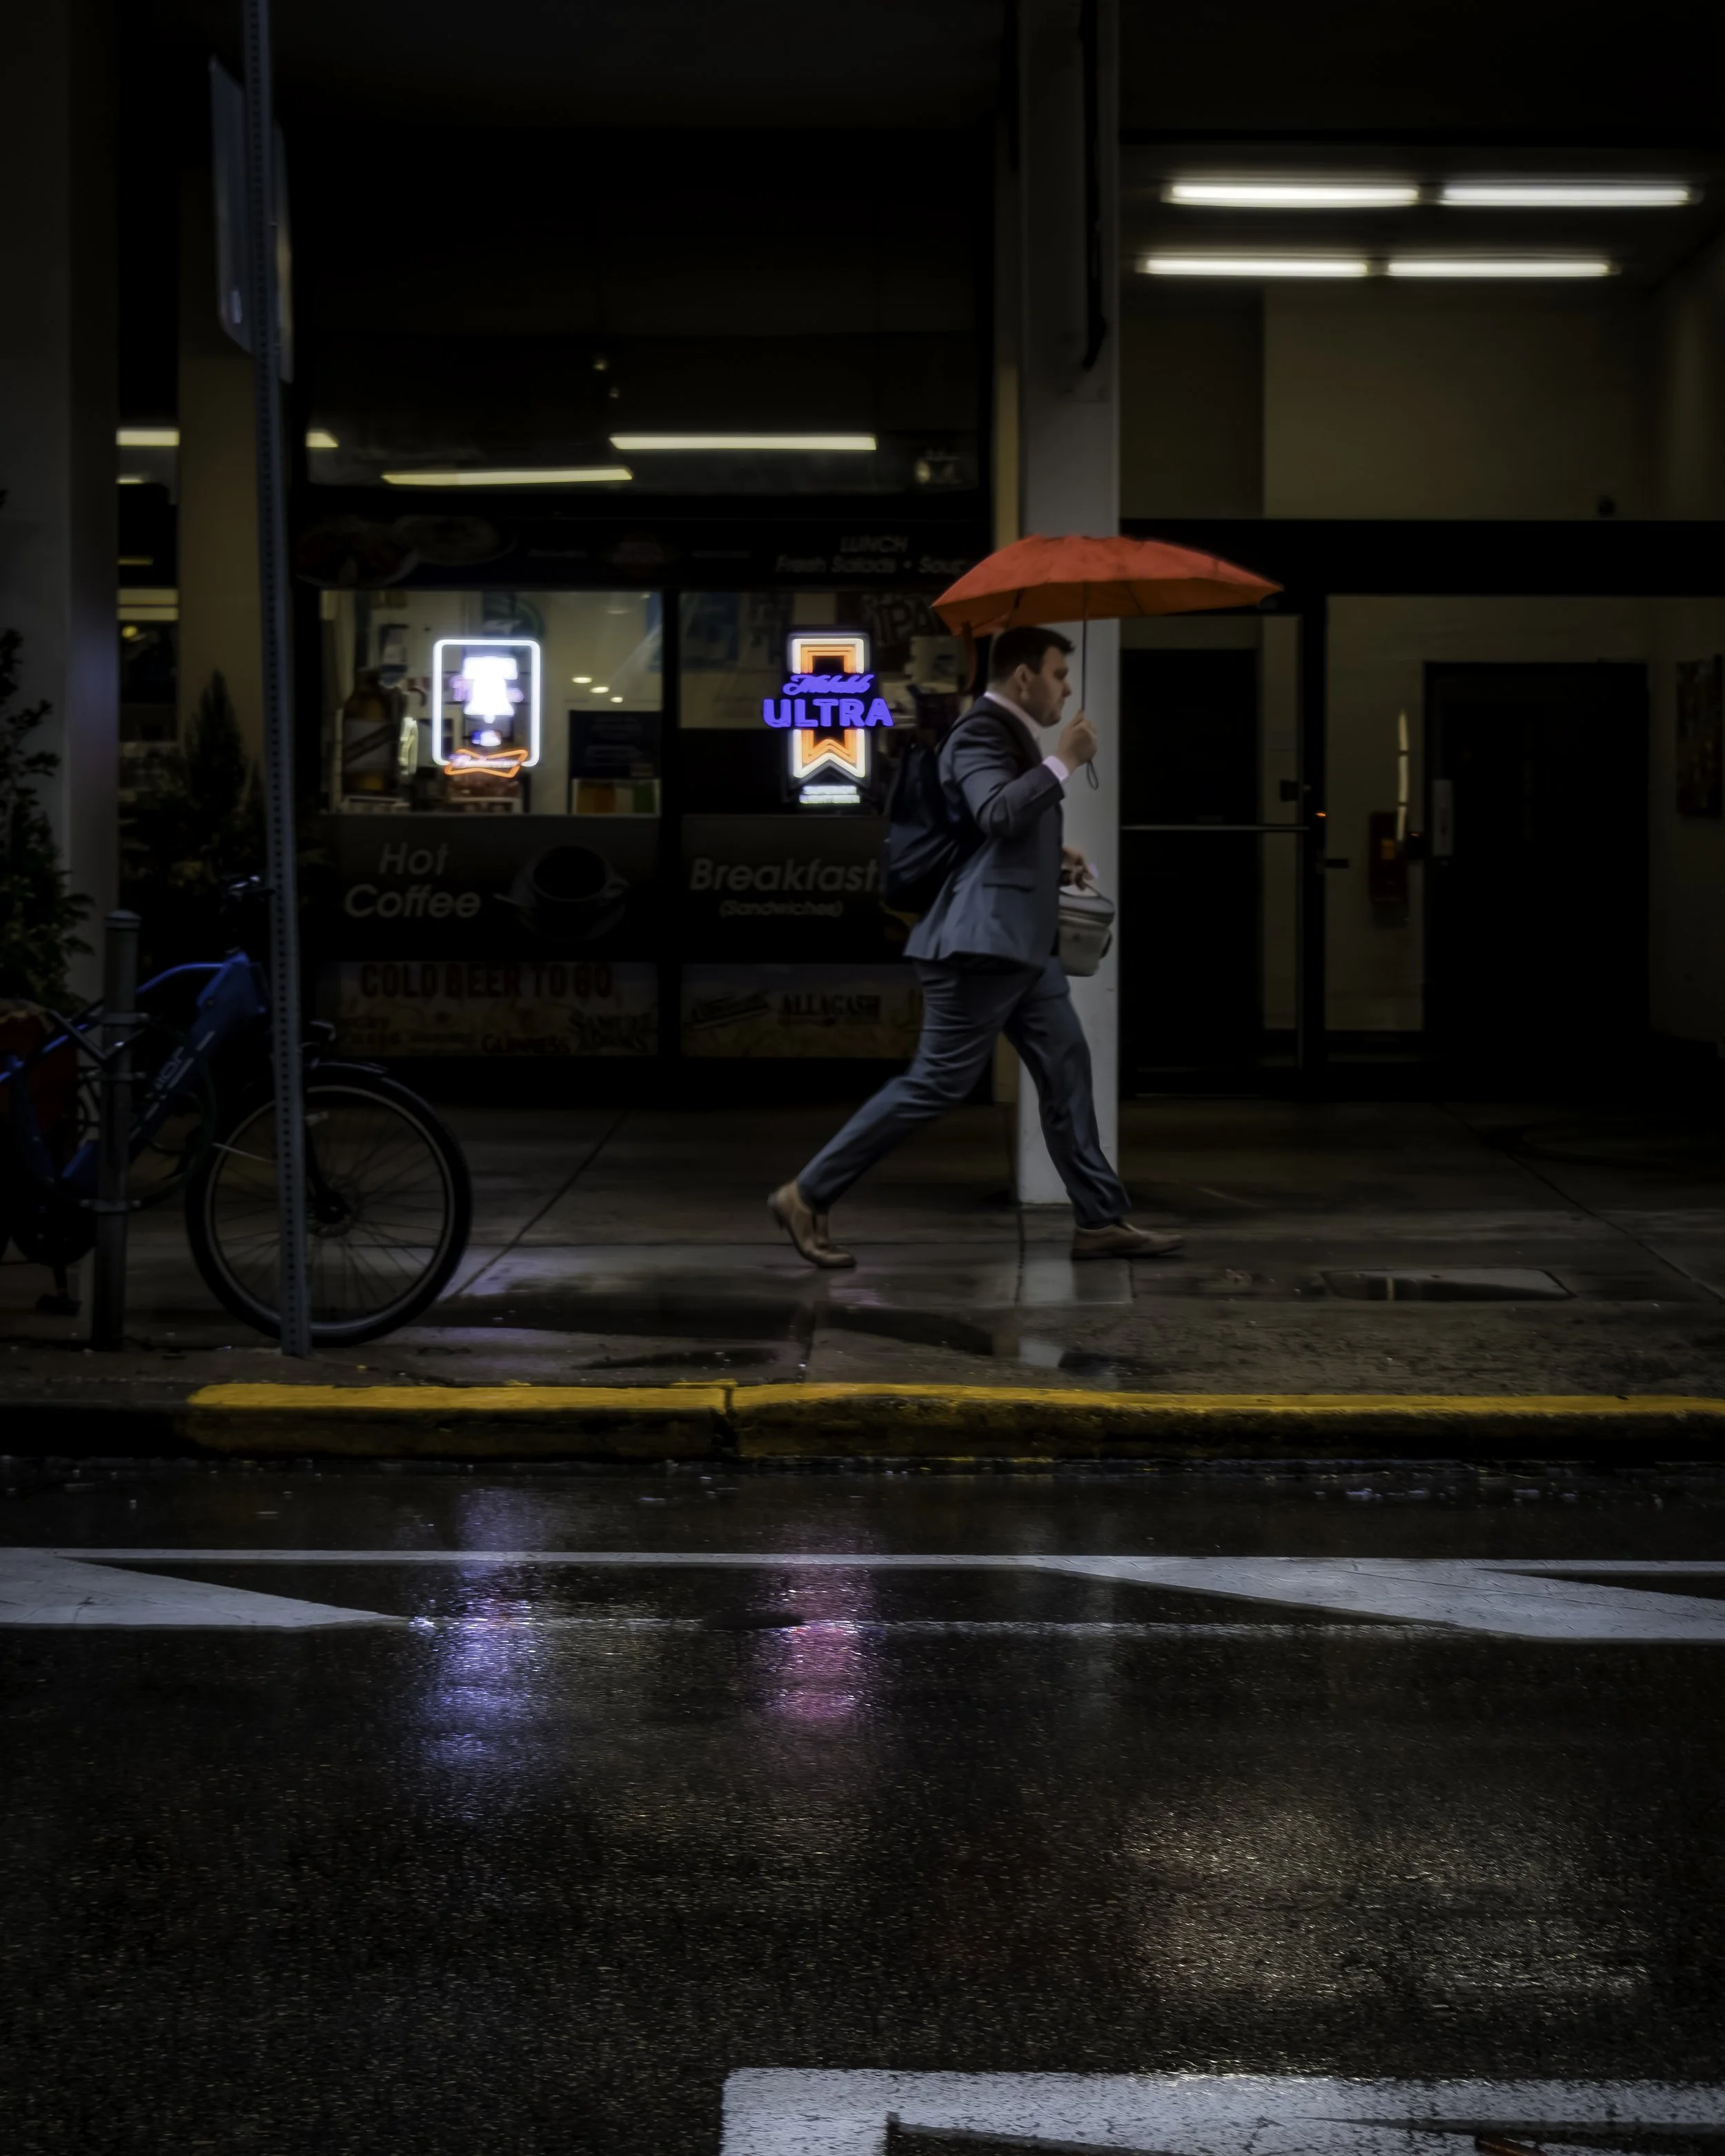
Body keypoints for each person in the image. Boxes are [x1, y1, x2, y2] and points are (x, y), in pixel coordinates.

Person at [768, 624, 1183, 1269]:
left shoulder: (1010, 734)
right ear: (1023, 676)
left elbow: (996, 833)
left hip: (1021, 946)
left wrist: (1055, 855)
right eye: (1058, 675)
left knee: (1067, 1068)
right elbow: (994, 811)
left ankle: (1100, 1219)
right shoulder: (981, 731)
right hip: (981, 948)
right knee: (936, 1082)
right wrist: (1065, 760)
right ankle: (807, 1193)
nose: (1065, 689)